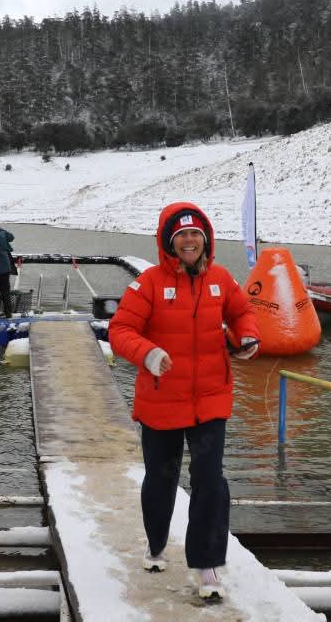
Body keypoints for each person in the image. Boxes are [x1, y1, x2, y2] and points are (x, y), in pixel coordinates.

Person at [107, 201, 260, 602]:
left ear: (204, 239)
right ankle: (156, 543)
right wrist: (148, 354)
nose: (189, 241)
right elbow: (120, 329)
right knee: (161, 478)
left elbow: (243, 313)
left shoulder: (222, 279)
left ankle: (206, 565)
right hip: (162, 401)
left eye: (195, 234)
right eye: (181, 235)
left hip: (211, 399)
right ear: (169, 242)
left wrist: (247, 338)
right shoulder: (149, 284)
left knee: (211, 481)